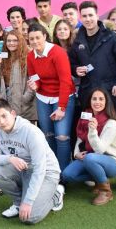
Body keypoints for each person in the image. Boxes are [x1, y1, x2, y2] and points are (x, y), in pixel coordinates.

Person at [68, 0, 116, 191]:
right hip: (88, 95)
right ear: (80, 17)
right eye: (84, 16)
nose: (88, 19)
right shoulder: (78, 40)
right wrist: (75, 69)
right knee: (87, 130)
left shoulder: (111, 37)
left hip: (111, 95)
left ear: (97, 16)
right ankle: (95, 172)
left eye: (91, 15)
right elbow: (71, 63)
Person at [0, 99, 64, 224]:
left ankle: (56, 195)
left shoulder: (31, 132)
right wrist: (10, 158)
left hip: (46, 173)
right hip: (23, 169)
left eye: (4, 116)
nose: (1, 122)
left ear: (12, 113)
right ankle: (18, 203)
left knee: (30, 218)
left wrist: (28, 202)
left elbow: (40, 169)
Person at [26, 23, 76, 171]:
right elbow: (35, 77)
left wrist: (61, 107)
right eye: (31, 39)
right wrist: (36, 85)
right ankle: (53, 170)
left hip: (62, 97)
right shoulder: (30, 56)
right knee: (48, 135)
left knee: (62, 136)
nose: (35, 41)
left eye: (37, 38)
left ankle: (64, 173)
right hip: (43, 98)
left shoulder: (58, 53)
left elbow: (65, 81)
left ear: (45, 36)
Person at [61, 88, 116, 205]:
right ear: (90, 101)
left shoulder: (111, 123)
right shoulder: (86, 117)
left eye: (101, 99)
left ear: (106, 102)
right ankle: (98, 178)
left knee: (90, 158)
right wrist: (76, 154)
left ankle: (105, 191)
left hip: (113, 162)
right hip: (90, 157)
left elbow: (100, 150)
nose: (97, 102)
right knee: (67, 175)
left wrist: (92, 130)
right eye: (94, 99)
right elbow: (80, 138)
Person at [0, 30, 36, 123]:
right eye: (8, 41)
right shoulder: (4, 58)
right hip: (7, 102)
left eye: (15, 40)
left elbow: (35, 79)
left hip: (25, 106)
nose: (11, 43)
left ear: (20, 41)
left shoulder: (28, 57)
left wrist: (26, 98)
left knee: (26, 135)